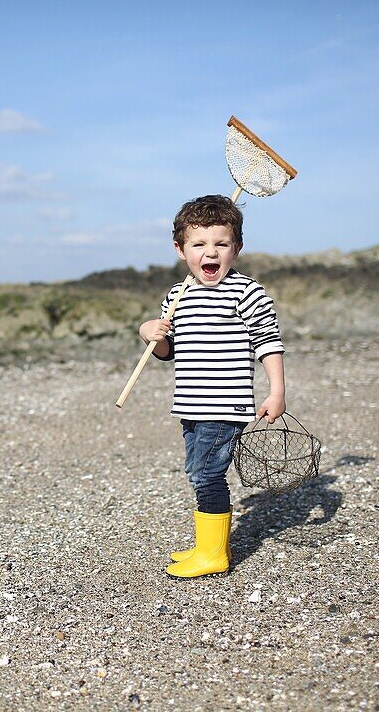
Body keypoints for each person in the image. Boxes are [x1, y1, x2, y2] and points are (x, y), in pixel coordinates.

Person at [137, 194, 286, 578]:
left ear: (237, 247)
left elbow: (268, 342)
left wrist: (276, 390)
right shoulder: (178, 294)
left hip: (224, 405)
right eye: (199, 244)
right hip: (189, 403)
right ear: (180, 249)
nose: (211, 252)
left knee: (206, 475)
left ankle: (214, 554)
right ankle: (208, 544)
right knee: (199, 472)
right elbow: (168, 351)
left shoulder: (246, 291)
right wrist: (149, 332)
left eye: (221, 243)